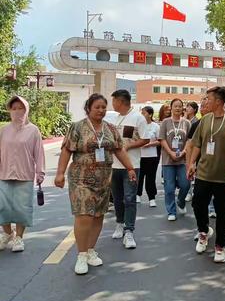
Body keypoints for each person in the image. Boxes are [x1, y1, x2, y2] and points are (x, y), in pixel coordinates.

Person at [55, 94, 136, 274]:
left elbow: (119, 150)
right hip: (80, 178)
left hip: (103, 178)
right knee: (84, 215)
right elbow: (67, 150)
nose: (101, 110)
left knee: (98, 215)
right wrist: (60, 174)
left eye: (103, 107)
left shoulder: (111, 129)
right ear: (88, 108)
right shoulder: (77, 127)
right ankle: (81, 255)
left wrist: (130, 168)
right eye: (97, 107)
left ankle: (91, 250)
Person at [188, 86, 225, 263]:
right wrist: (191, 163)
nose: (205, 101)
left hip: (223, 176)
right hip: (204, 173)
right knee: (198, 204)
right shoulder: (205, 121)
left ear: (219, 101)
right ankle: (203, 231)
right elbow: (197, 144)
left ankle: (220, 246)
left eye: (208, 98)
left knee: (223, 212)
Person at [104, 89, 149, 250]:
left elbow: (145, 139)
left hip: (132, 166)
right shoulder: (114, 118)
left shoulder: (138, 118)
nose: (112, 104)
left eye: (114, 101)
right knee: (117, 198)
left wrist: (130, 145)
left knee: (129, 198)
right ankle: (119, 223)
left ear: (121, 101)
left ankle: (129, 231)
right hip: (114, 166)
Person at [0, 96, 45, 253]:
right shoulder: (4, 130)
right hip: (3, 174)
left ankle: (19, 238)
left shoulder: (33, 130)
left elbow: (39, 153)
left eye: (21, 108)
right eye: (14, 108)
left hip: (25, 174)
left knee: (21, 209)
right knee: (2, 207)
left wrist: (40, 172)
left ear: (26, 110)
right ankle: (7, 234)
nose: (17, 111)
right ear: (9, 111)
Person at [159, 98, 191, 221]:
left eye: (180, 106)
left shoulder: (186, 123)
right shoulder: (165, 122)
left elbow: (189, 140)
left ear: (182, 108)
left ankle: (181, 202)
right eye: (175, 106)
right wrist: (171, 153)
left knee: (185, 184)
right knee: (169, 187)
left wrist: (183, 152)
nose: (177, 108)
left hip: (183, 159)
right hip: (168, 160)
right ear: (171, 108)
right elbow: (161, 139)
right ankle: (171, 211)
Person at [137, 106, 161, 207]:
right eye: (141, 113)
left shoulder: (155, 126)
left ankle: (152, 198)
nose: (142, 115)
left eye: (144, 113)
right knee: (139, 176)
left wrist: (149, 144)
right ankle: (137, 194)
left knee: (151, 177)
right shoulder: (138, 126)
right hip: (139, 155)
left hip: (152, 155)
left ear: (150, 114)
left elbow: (160, 141)